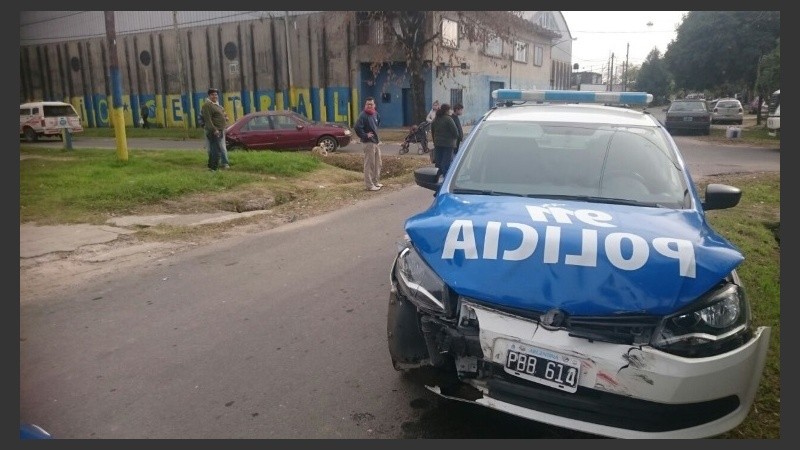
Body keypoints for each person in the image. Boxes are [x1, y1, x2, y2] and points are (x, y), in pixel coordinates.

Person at [354, 97, 383, 191]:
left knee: (378, 163)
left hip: (375, 142)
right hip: (368, 143)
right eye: (368, 104)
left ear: (374, 105)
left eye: (371, 104)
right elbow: (357, 127)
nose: (369, 106)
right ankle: (369, 185)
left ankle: (375, 182)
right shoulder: (363, 115)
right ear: (365, 105)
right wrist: (365, 135)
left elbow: (377, 125)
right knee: (369, 165)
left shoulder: (376, 114)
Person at [201, 88, 227, 171]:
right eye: (212, 94)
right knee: (216, 150)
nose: (215, 96)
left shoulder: (217, 105)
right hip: (215, 131)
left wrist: (225, 118)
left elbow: (221, 115)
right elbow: (208, 120)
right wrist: (214, 130)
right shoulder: (207, 105)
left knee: (214, 149)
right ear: (209, 96)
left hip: (220, 130)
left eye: (216, 94)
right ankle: (214, 168)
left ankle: (211, 166)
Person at [430, 103, 459, 178]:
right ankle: (446, 178)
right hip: (448, 144)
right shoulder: (448, 119)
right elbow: (455, 132)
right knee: (446, 162)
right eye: (450, 109)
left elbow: (432, 131)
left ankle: (436, 177)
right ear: (447, 110)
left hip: (438, 143)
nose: (450, 111)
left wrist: (435, 141)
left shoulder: (435, 119)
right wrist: (455, 140)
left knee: (438, 162)